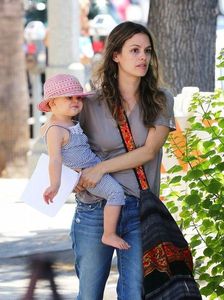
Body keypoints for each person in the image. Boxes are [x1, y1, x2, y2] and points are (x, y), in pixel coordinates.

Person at [71, 21, 176, 300]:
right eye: (134, 50)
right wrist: (72, 178)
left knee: (135, 294)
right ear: (115, 55)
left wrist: (100, 168)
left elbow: (149, 151)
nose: (143, 57)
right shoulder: (90, 102)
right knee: (89, 294)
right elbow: (64, 141)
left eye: (147, 51)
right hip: (95, 208)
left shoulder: (160, 99)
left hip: (139, 209)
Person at [38, 74, 130, 250]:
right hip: (86, 173)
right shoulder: (55, 130)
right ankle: (109, 234)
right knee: (116, 193)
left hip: (93, 165)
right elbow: (55, 159)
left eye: (78, 97)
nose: (75, 101)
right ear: (52, 104)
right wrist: (55, 185)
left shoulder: (70, 122)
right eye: (68, 98)